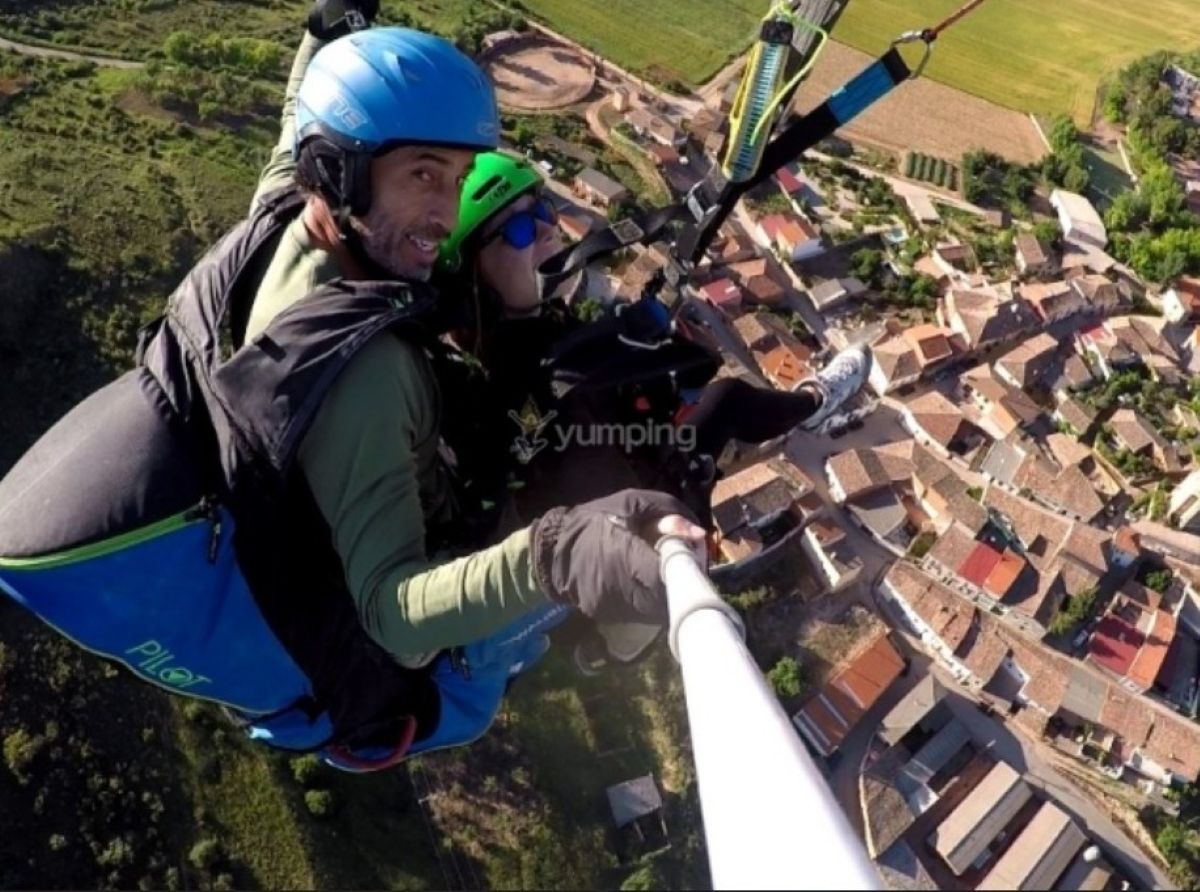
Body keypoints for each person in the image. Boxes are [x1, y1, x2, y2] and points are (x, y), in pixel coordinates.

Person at [0, 7, 705, 772]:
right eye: (423, 174)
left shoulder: (281, 219)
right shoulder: (365, 376)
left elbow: (294, 123)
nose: (444, 213)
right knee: (614, 512)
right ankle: (602, 647)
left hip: (322, 528)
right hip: (440, 678)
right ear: (339, 172)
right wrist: (556, 557)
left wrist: (331, 30)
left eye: (460, 177)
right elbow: (397, 617)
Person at [433, 151, 873, 671]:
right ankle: (814, 404)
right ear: (472, 276)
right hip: (621, 533)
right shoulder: (503, 375)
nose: (549, 231)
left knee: (717, 403)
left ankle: (605, 648)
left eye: (546, 212)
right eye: (520, 231)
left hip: (622, 484)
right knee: (726, 404)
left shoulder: (540, 330)